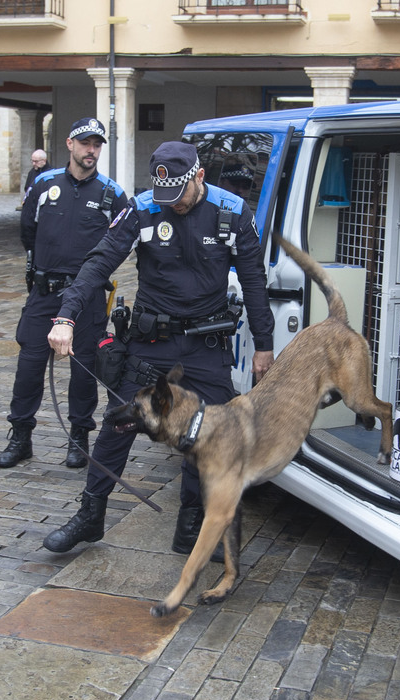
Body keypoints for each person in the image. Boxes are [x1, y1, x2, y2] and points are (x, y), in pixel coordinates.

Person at [42, 141, 276, 556]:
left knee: (204, 435)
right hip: (152, 344)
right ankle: (90, 515)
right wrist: (66, 316)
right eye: (166, 196)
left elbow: (255, 280)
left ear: (199, 177)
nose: (174, 205)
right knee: (118, 426)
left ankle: (190, 525)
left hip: (206, 345)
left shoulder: (233, 212)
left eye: (181, 195)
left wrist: (264, 345)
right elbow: (99, 263)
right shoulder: (145, 207)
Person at [0, 118, 128, 469]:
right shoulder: (43, 184)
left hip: (87, 299)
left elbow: (122, 244)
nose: (92, 150)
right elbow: (27, 231)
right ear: (70, 144)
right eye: (86, 143)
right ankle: (21, 436)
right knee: (29, 367)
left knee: (84, 373)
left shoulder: (112, 193)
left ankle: (78, 439)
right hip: (45, 291)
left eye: (97, 144)